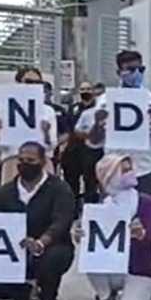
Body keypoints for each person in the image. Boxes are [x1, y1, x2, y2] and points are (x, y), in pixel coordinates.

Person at [0, 142, 76, 300]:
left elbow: (61, 222)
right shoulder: (4, 193)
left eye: (30, 160)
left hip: (51, 247)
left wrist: (41, 242)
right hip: (13, 252)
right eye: (21, 160)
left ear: (43, 161)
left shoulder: (59, 189)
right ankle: (22, 294)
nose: (24, 164)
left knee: (51, 260)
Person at [74, 154, 151, 300]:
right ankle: (106, 298)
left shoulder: (146, 203)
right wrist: (81, 234)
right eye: (124, 170)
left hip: (139, 269)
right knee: (90, 255)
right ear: (110, 176)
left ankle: (146, 296)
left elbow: (149, 241)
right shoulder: (101, 206)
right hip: (114, 267)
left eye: (130, 169)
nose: (130, 173)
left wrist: (140, 234)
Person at [85, 50, 151, 195]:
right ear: (119, 72)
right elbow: (93, 142)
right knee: (113, 214)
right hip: (114, 168)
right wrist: (98, 123)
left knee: (143, 213)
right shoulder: (105, 100)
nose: (137, 73)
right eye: (131, 70)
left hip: (144, 168)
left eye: (140, 69)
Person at [0, 66, 56, 184]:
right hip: (13, 160)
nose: (33, 85)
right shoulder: (5, 108)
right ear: (19, 83)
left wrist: (46, 132)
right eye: (29, 82)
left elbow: (51, 144)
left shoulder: (47, 111)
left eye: (38, 82)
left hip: (40, 161)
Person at [62, 81, 99, 210]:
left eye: (88, 89)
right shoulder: (74, 108)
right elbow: (68, 128)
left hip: (91, 151)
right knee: (71, 182)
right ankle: (74, 210)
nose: (85, 92)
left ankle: (90, 209)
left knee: (91, 183)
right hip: (73, 149)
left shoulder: (99, 108)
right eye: (83, 89)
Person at [71, 82, 107, 204]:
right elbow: (77, 131)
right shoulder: (87, 113)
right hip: (90, 151)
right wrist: (90, 134)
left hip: (107, 151)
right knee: (90, 182)